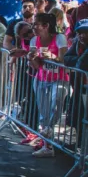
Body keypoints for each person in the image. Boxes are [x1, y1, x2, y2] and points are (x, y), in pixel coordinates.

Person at [27, 13, 69, 157]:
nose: (33, 27)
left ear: (46, 26)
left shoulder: (60, 38)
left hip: (60, 79)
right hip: (41, 79)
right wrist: (31, 59)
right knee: (43, 112)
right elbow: (36, 66)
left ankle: (49, 130)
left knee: (56, 105)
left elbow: (63, 59)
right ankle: (47, 147)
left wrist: (52, 57)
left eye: (36, 24)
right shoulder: (34, 40)